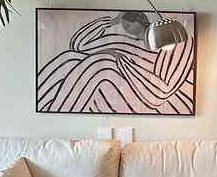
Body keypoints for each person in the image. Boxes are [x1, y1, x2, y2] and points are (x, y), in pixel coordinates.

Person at [37, 10, 194, 114]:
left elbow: (159, 93)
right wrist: (112, 22)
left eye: (129, 24)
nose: (125, 28)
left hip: (148, 99)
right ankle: (48, 116)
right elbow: (77, 45)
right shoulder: (122, 40)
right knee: (70, 58)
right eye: (123, 25)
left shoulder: (175, 44)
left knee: (102, 63)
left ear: (141, 21)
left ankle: (60, 115)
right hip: (111, 92)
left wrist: (119, 61)